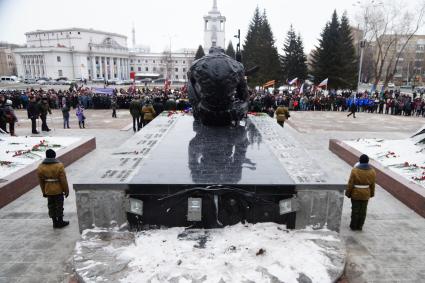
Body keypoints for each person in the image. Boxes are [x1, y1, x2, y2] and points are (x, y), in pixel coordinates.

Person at [37, 149, 70, 228]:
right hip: (58, 189)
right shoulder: (59, 165)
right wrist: (66, 190)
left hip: (48, 190)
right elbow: (63, 180)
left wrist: (44, 191)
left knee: (51, 206)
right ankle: (60, 221)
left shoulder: (40, 167)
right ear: (54, 156)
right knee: (59, 206)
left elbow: (41, 181)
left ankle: (54, 222)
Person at [345, 154, 376, 231]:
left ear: (359, 161)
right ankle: (360, 226)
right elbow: (372, 184)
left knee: (355, 210)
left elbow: (351, 183)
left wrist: (348, 193)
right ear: (368, 161)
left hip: (356, 193)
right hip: (366, 193)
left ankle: (353, 226)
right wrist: (371, 193)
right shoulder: (372, 171)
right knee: (363, 211)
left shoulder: (355, 170)